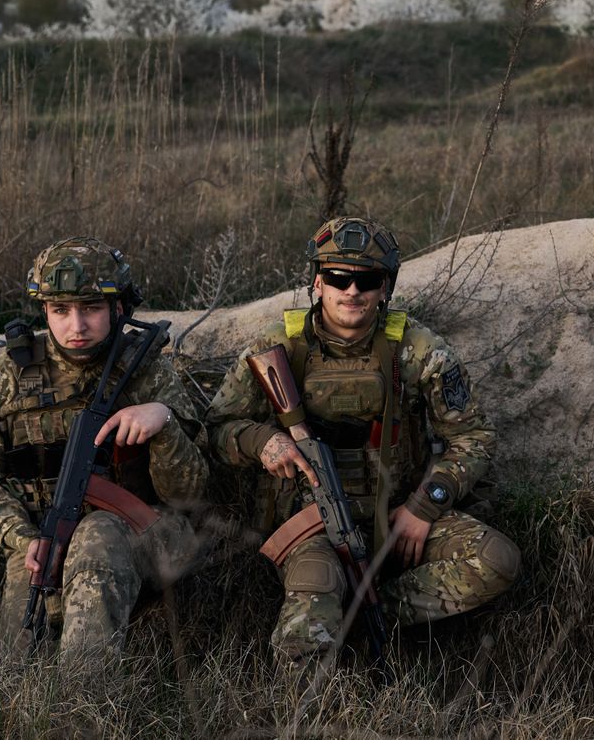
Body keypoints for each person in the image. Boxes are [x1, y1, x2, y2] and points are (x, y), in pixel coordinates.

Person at [205, 216, 520, 663]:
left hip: (396, 517)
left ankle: (369, 614)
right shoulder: (280, 348)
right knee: (303, 638)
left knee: (497, 559)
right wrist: (263, 443)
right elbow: (217, 429)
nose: (352, 291)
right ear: (318, 282)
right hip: (311, 522)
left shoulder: (418, 349)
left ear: (384, 288)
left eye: (367, 280)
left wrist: (424, 505)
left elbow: (472, 436)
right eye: (338, 277)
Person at [0, 237, 209, 661]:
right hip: (44, 537)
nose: (76, 326)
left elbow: (191, 492)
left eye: (90, 309)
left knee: (97, 536)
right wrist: (24, 538)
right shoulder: (6, 377)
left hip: (152, 532)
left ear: (118, 309)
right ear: (44, 311)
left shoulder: (146, 370)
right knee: (22, 653)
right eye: (60, 311)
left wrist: (162, 421)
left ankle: (83, 703)